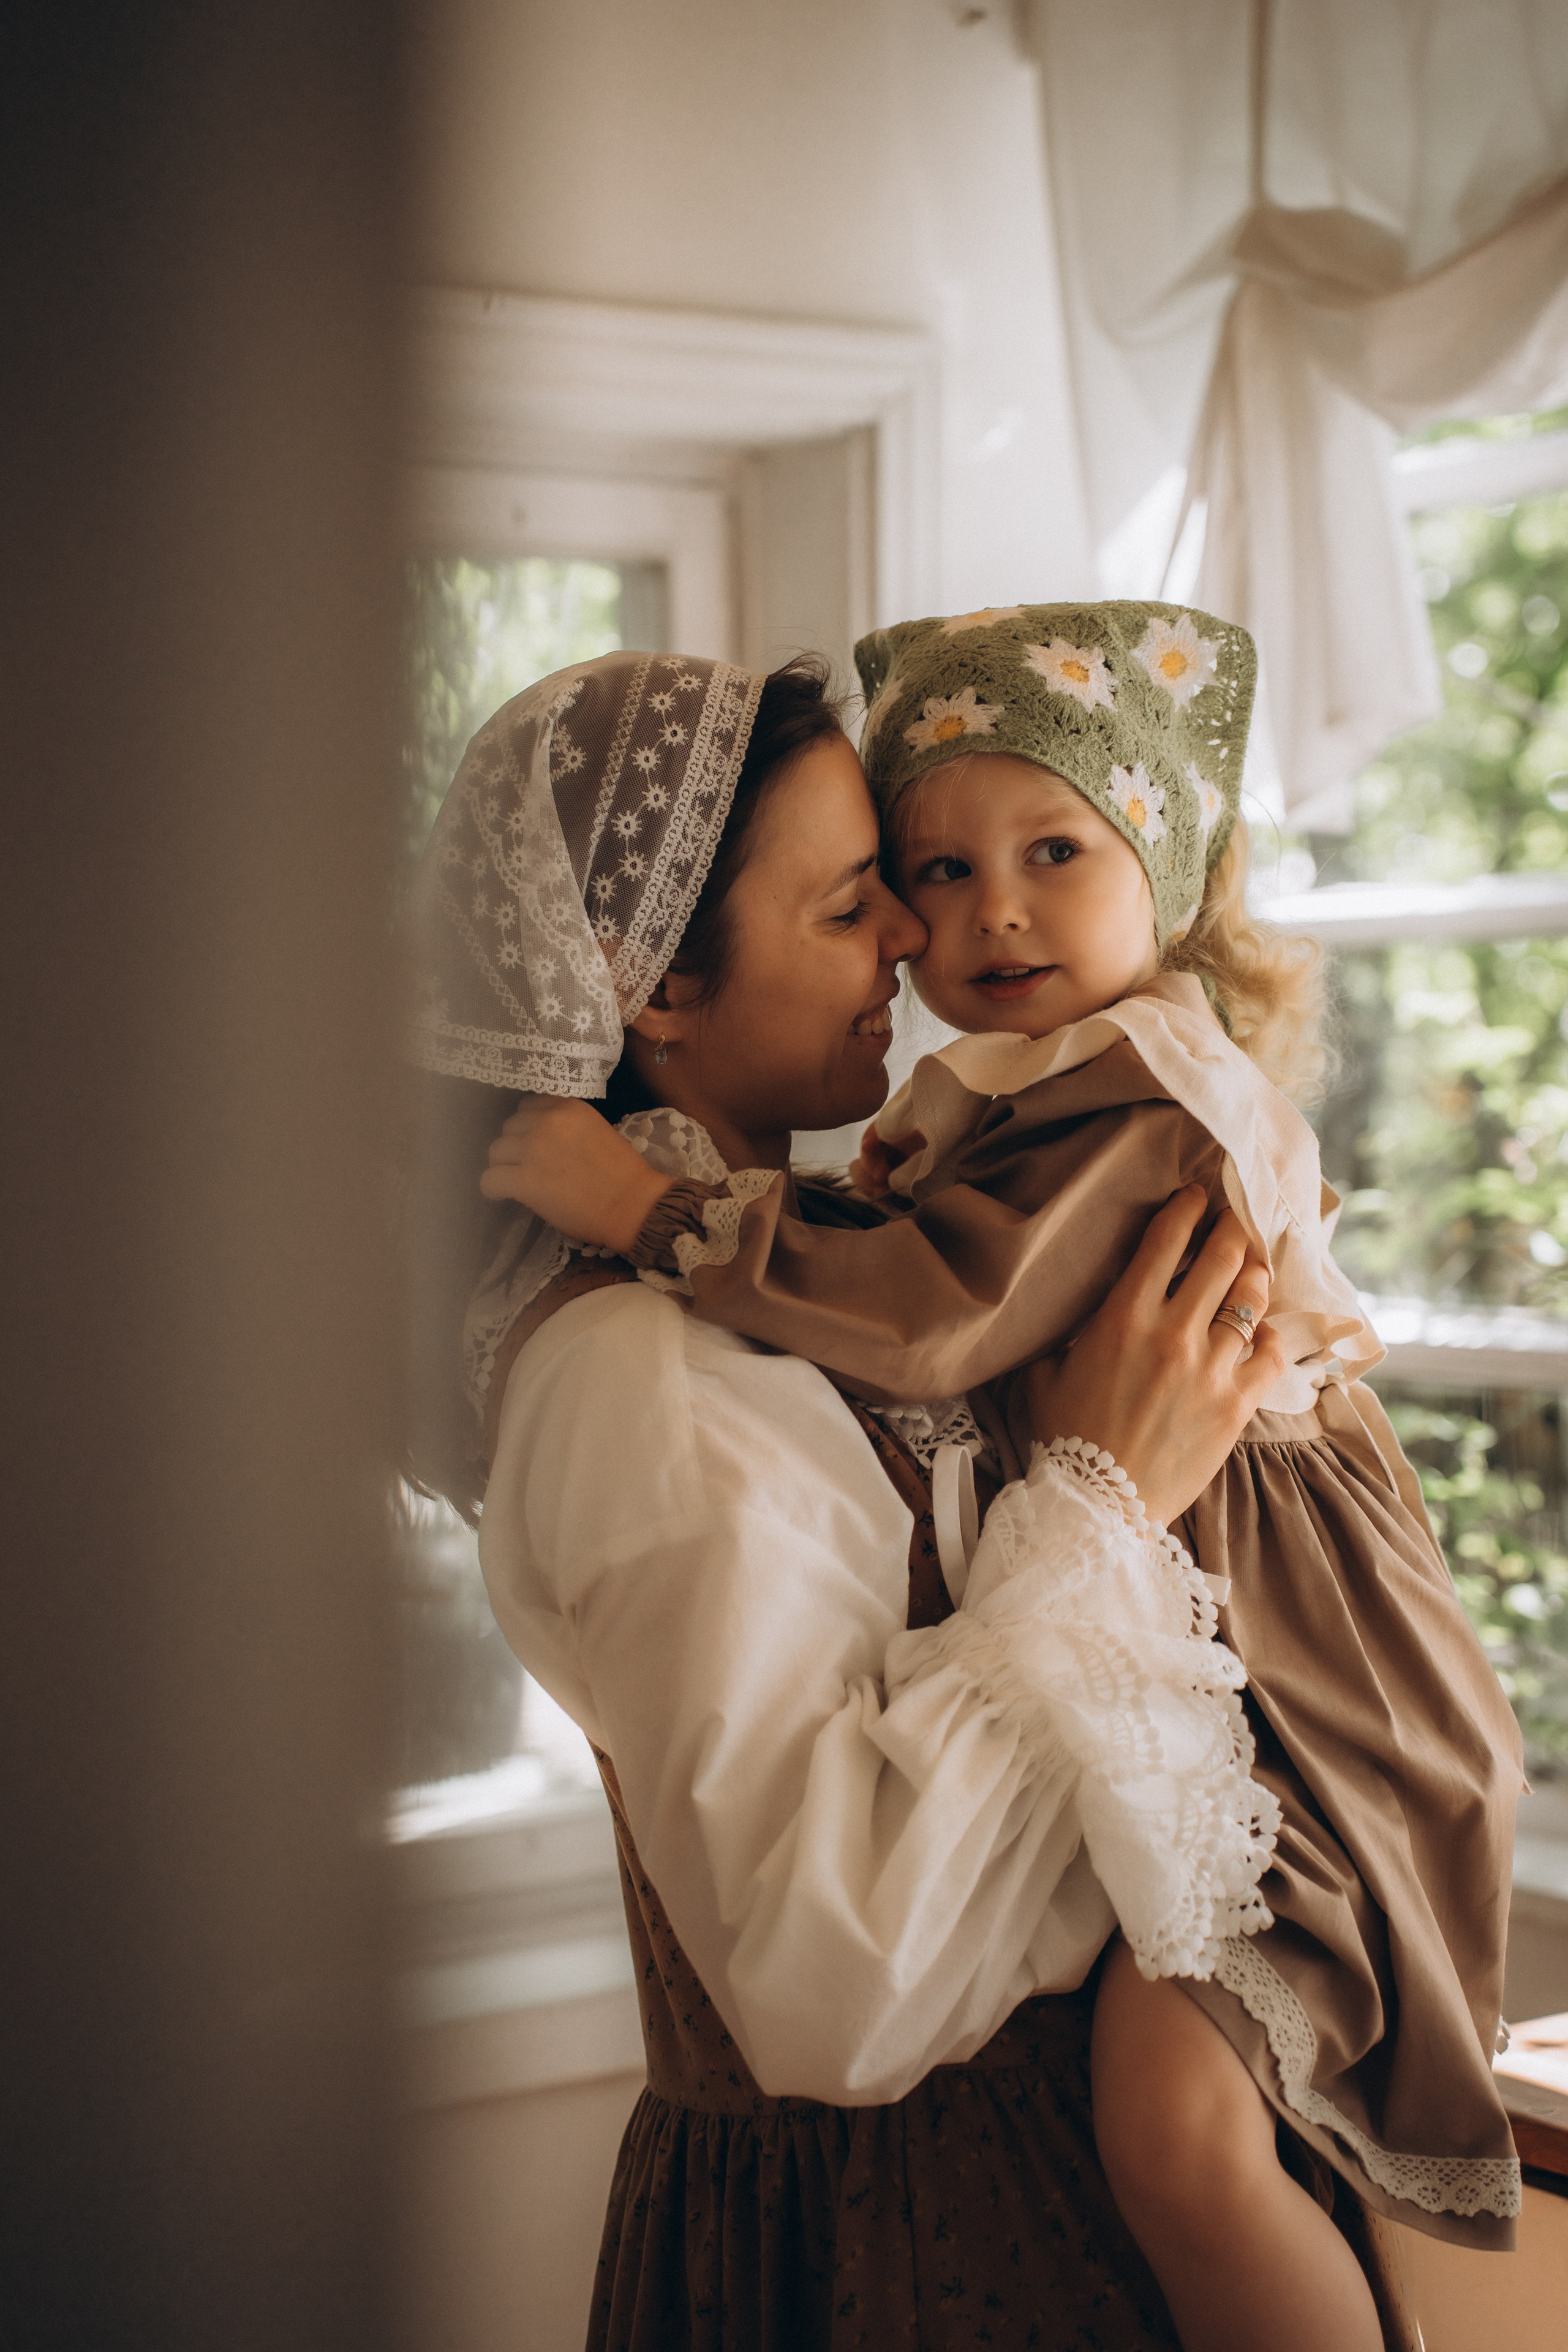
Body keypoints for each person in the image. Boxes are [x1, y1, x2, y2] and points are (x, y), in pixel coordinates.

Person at [479, 613, 1524, 2352]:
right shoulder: (648, 1372)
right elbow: (843, 1974)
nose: (926, 930)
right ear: (656, 985)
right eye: (871, 894)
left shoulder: (1026, 1147)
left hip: (1086, 2137)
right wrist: (1109, 1486)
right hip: (905, 2235)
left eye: (1035, 857)